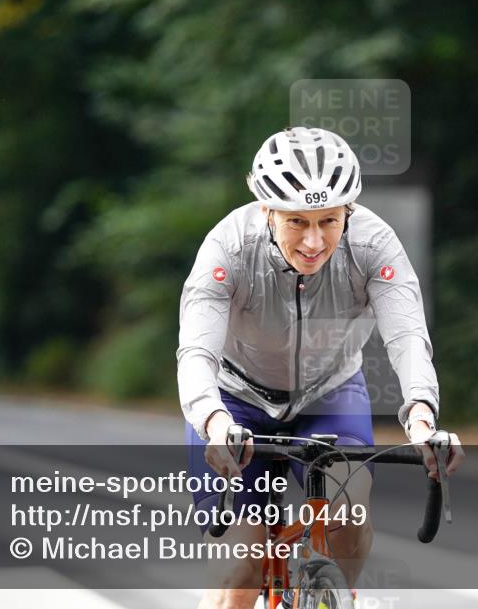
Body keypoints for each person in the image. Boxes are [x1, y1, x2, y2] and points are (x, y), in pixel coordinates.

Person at [178, 126, 463, 609]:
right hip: (234, 402)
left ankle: (337, 597)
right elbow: (196, 353)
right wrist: (214, 420)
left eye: (329, 220)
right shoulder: (227, 248)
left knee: (349, 517)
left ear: (348, 212)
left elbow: (407, 337)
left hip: (329, 393)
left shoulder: (374, 244)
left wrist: (421, 417)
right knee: (239, 566)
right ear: (266, 210)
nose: (314, 241)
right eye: (296, 222)